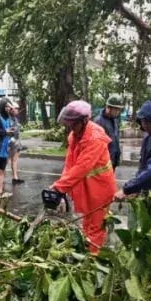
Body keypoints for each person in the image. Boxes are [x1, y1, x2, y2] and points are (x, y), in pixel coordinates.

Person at [50, 101, 116, 253]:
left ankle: (92, 262)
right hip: (87, 185)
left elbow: (82, 167)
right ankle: (87, 253)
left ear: (84, 121)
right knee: (87, 222)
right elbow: (70, 163)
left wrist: (60, 188)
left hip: (100, 187)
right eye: (69, 124)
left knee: (96, 226)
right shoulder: (75, 135)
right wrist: (59, 186)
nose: (70, 128)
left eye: (73, 124)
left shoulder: (95, 138)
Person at [94, 95, 124, 169]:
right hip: (104, 163)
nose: (118, 112)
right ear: (108, 108)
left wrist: (118, 155)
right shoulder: (99, 121)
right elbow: (96, 145)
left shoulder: (115, 120)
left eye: (119, 109)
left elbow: (115, 139)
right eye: (116, 109)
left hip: (113, 161)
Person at [8, 112, 25, 184]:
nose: (17, 110)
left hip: (16, 142)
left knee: (15, 160)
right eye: (16, 108)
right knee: (5, 160)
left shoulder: (15, 119)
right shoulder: (7, 119)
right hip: (9, 142)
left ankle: (15, 177)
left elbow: (17, 132)